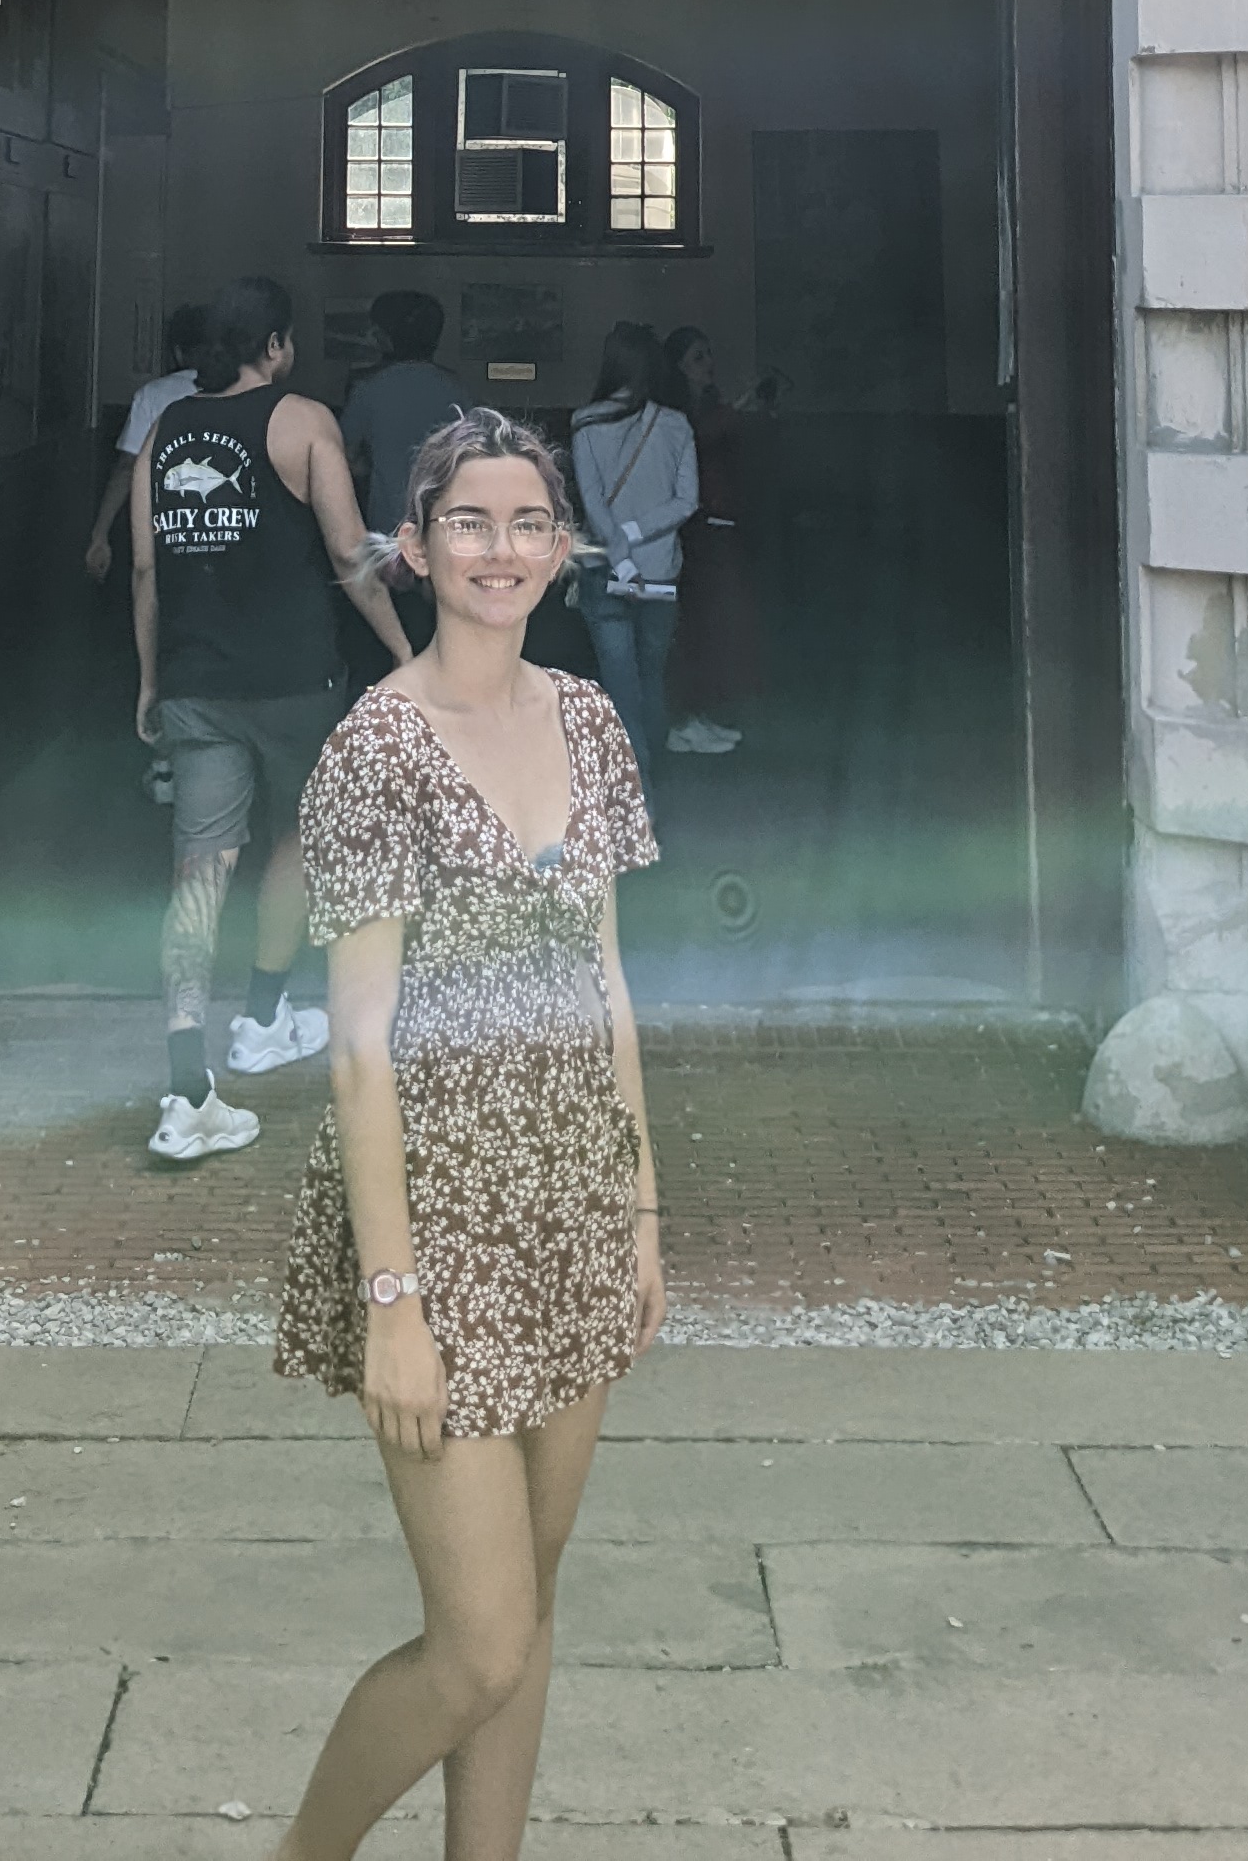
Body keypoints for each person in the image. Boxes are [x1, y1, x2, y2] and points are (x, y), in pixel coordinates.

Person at [270, 409, 663, 1861]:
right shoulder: (377, 747)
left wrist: (643, 1214)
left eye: (528, 523)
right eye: (470, 523)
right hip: (435, 1219)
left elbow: (608, 979)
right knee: (479, 1641)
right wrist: (394, 1304)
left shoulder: (589, 719)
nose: (501, 550)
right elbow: (359, 1049)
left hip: (574, 1200)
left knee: (529, 1611)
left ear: (562, 550)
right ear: (416, 546)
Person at [132, 274, 414, 1162]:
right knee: (296, 834)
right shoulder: (303, 422)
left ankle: (188, 1089)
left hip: (195, 683)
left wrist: (149, 681)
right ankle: (262, 1019)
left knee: (199, 868)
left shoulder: (164, 433)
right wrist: (404, 652)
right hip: (295, 682)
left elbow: (146, 571)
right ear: (277, 345)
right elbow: (348, 551)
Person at [566, 322, 698, 802]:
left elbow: (593, 502)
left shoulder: (585, 422)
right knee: (651, 677)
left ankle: (638, 791)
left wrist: (619, 552)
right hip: (660, 571)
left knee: (619, 683)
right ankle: (652, 772)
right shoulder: (676, 424)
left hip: (606, 571)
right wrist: (638, 534)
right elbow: (687, 501)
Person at [658, 325, 765, 756]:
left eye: (708, 354)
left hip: (719, 522)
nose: (709, 365)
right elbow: (697, 442)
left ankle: (697, 713)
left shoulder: (707, 407)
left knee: (713, 625)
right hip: (697, 526)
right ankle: (684, 718)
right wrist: (737, 411)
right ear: (679, 367)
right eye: (698, 357)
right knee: (695, 625)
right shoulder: (679, 414)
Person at [87, 300, 210, 582]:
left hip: (166, 528)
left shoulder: (153, 395)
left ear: (177, 351)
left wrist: (100, 533)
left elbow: (127, 467)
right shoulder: (240, 392)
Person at [340, 285, 467, 526]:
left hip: (388, 524)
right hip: (443, 522)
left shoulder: (368, 389)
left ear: (388, 338)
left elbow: (346, 458)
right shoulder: (456, 389)